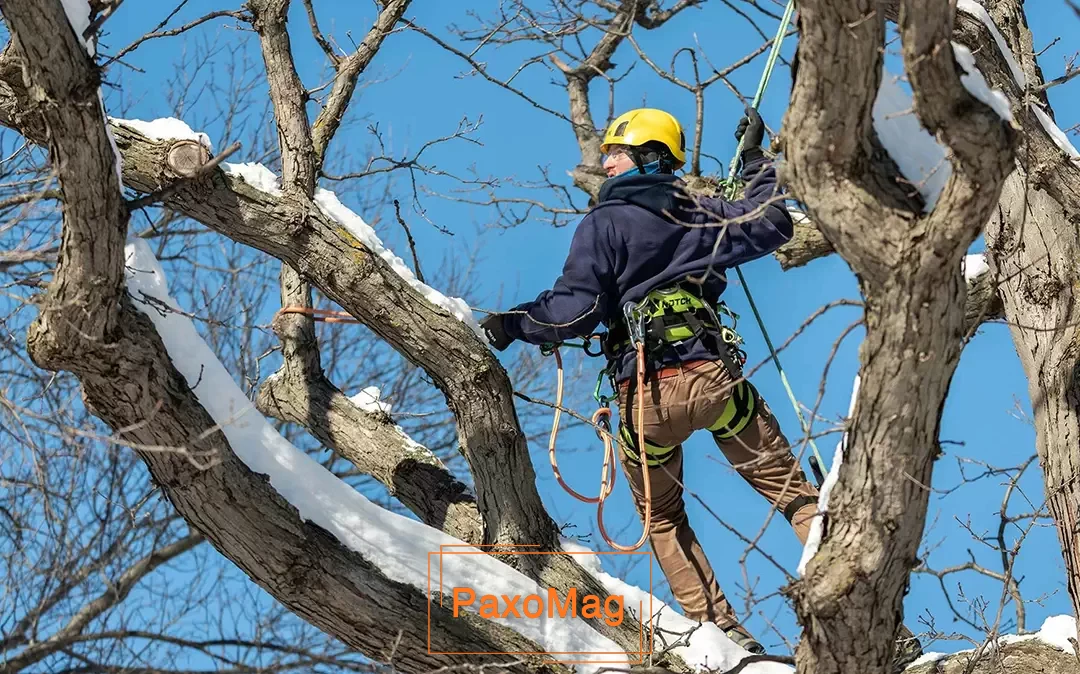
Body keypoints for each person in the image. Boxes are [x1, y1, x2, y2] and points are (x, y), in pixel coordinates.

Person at [478, 107, 820, 654]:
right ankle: (845, 584)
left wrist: (512, 324)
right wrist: (758, 160)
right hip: (712, 381)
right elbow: (770, 222)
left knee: (661, 518)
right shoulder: (697, 212)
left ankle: (720, 634)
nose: (605, 162)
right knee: (795, 494)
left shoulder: (603, 222)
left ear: (646, 156)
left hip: (646, 400)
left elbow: (571, 313)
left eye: (616, 153)